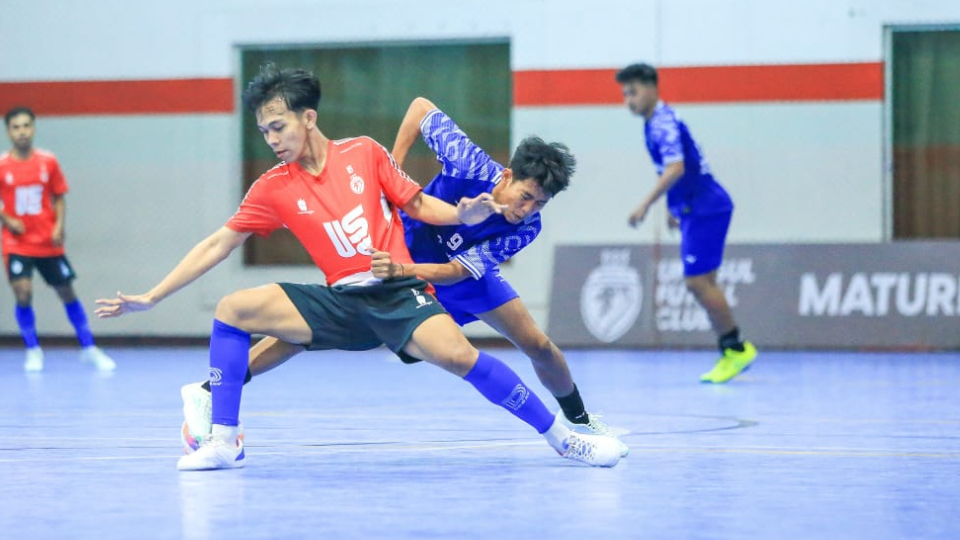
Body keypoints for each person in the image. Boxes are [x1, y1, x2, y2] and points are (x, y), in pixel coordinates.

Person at [96, 64, 625, 471]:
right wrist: (153, 296)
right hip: (350, 293)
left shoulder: (365, 155)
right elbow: (218, 243)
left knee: (480, 353)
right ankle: (222, 433)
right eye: (264, 132)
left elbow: (430, 216)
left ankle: (568, 436)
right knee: (236, 309)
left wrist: (464, 213)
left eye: (278, 126)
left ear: (308, 118)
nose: (272, 139)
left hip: (410, 284)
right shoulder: (273, 187)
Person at [615, 62, 757, 382]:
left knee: (698, 282)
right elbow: (677, 168)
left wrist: (645, 206)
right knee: (703, 282)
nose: (629, 100)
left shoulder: (662, 123)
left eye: (633, 92)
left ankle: (735, 350)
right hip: (695, 206)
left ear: (652, 89)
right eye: (625, 94)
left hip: (706, 206)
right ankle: (733, 349)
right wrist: (672, 206)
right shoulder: (655, 122)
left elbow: (676, 168)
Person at [0, 107, 116, 372]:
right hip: (16, 242)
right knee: (23, 291)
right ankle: (33, 349)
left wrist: (59, 226)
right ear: (8, 131)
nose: (22, 132)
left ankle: (88, 346)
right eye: (16, 127)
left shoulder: (48, 161)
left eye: (26, 126)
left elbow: (59, 196)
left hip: (47, 241)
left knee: (66, 291)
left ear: (33, 128)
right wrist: (6, 219)